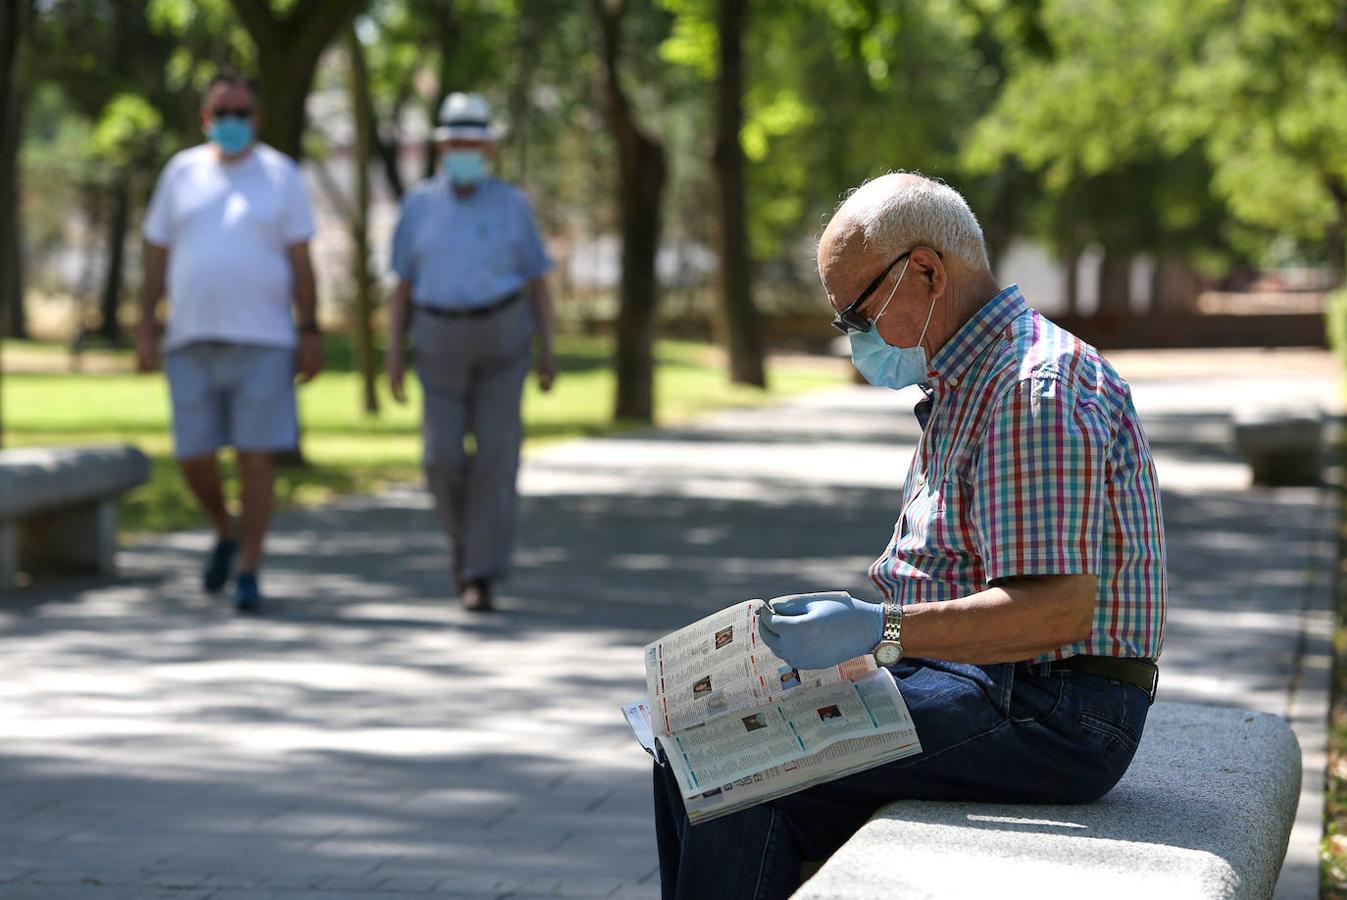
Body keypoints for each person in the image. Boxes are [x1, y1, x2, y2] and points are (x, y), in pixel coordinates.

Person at [652, 173, 1166, 900]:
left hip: (1055, 711)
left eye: (856, 316)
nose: (854, 343)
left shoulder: (1030, 387)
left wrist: (876, 630)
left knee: (735, 770)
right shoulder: (971, 381)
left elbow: (1055, 612)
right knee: (689, 746)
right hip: (984, 683)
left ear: (925, 271)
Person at [136, 70, 322, 613]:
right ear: (205, 118)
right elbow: (156, 253)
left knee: (255, 458)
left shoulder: (281, 175)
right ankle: (226, 526)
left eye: (242, 113)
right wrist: (145, 324)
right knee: (193, 456)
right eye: (223, 113)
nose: (232, 122)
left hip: (264, 340)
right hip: (190, 337)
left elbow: (302, 261)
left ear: (257, 118)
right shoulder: (181, 173)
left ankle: (250, 570)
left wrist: (309, 330)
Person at [385, 92, 556, 612]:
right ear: (441, 147)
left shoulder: (511, 204)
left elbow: (538, 282)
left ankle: (478, 572)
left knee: (496, 458)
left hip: (503, 335)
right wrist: (393, 354)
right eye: (454, 143)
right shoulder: (417, 205)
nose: (463, 152)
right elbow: (401, 287)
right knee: (440, 459)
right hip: (437, 338)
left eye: (472, 144)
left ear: (488, 149)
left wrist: (548, 349)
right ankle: (469, 549)